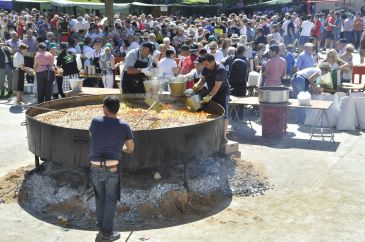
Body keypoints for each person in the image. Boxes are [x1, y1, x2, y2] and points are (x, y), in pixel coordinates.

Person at [89, 95, 134, 242]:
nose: (102, 108)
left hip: (95, 167)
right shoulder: (124, 126)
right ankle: (107, 233)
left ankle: (102, 228)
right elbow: (130, 149)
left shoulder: (95, 122)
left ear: (106, 108)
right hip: (112, 168)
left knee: (99, 198)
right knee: (110, 200)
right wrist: (120, 147)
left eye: (103, 106)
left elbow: (92, 136)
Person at [192, 54, 230, 143]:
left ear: (212, 61)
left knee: (224, 115)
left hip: (222, 93)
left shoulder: (220, 69)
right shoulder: (206, 68)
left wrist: (209, 96)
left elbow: (217, 86)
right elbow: (203, 79)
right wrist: (198, 85)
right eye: (204, 64)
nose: (204, 66)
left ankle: (223, 136)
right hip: (212, 91)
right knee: (212, 113)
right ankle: (212, 134)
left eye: (206, 64)